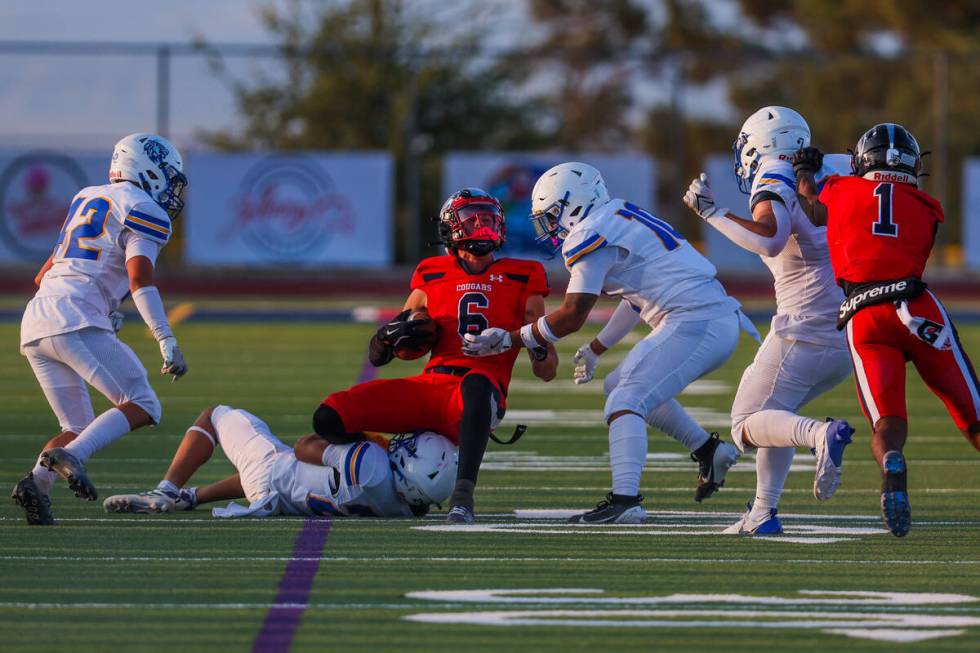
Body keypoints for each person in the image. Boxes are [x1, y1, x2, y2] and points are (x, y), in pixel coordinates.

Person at [462, 162, 757, 524]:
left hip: (697, 320)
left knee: (626, 399)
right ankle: (709, 450)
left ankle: (625, 501)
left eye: (552, 216)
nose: (550, 227)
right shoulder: (616, 215)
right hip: (706, 316)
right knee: (619, 384)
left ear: (573, 204)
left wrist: (509, 339)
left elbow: (573, 313)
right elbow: (635, 298)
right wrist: (598, 347)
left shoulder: (590, 231)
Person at [312, 188, 557, 524]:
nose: (482, 226)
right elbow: (382, 355)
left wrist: (529, 341)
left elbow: (547, 370)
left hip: (479, 395)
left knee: (476, 384)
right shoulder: (431, 273)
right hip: (431, 385)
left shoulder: (523, 274)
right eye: (472, 219)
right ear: (450, 229)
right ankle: (386, 456)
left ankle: (462, 498)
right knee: (328, 416)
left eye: (488, 219)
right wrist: (386, 338)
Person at [794, 123, 980, 537]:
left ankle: (892, 460)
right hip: (916, 306)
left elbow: (812, 206)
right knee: (971, 410)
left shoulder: (839, 189)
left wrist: (805, 172)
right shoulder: (927, 206)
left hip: (864, 313)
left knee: (887, 423)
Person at [682, 106, 856, 535]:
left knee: (745, 424)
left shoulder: (775, 172)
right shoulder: (839, 166)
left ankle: (822, 435)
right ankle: (762, 513)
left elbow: (770, 238)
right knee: (777, 417)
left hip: (805, 324)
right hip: (850, 323)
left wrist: (711, 213)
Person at [11, 133, 189, 526]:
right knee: (143, 402)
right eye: (168, 177)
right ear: (149, 169)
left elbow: (45, 274)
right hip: (73, 316)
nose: (171, 190)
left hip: (37, 318)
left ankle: (36, 485)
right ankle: (71, 457)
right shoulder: (144, 209)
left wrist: (104, 306)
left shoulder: (88, 195)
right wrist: (165, 337)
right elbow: (140, 279)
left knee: (75, 427)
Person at [103, 405, 455, 518]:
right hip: (280, 500)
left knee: (214, 414)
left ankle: (165, 489)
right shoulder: (404, 509)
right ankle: (190, 497)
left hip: (273, 472)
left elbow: (304, 447)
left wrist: (358, 436)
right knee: (275, 466)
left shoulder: (371, 463)